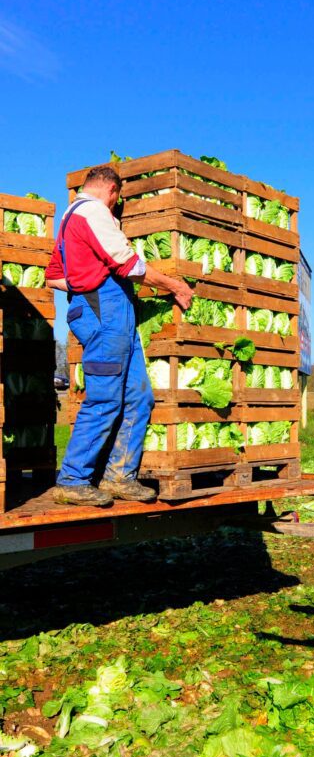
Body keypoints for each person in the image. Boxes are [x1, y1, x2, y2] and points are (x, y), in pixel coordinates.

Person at [46, 166, 193, 506]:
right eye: (117, 200)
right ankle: (72, 479)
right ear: (112, 191)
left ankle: (119, 476)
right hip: (105, 314)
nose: (116, 206)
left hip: (111, 315)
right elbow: (129, 265)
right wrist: (174, 285)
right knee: (105, 400)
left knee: (140, 397)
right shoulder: (92, 212)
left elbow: (53, 276)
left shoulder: (69, 220)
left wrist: (83, 280)